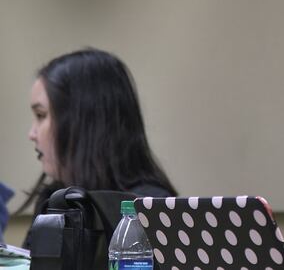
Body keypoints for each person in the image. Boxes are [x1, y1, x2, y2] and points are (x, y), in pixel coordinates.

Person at [17, 48, 177, 247]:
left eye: (41, 115)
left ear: (84, 121)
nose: (31, 134)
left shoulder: (148, 206)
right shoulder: (53, 200)